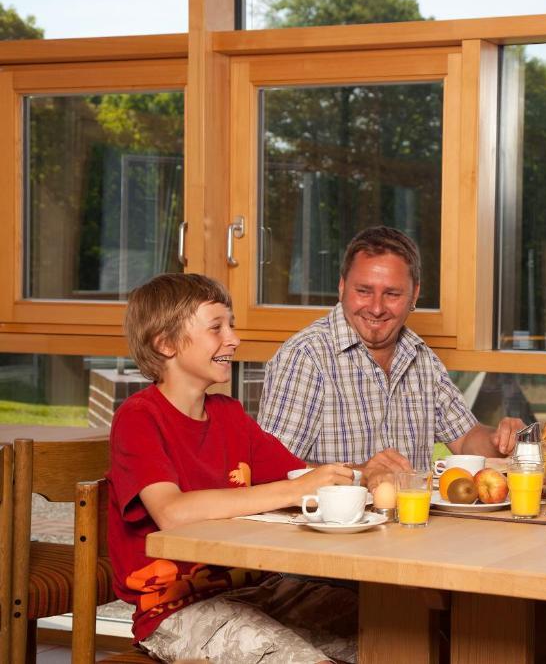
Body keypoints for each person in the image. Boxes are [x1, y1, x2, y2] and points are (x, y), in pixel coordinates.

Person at [108, 273, 359, 663]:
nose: (233, 338)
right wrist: (298, 489)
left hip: (261, 590)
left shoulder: (229, 415)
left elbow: (300, 476)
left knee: (395, 629)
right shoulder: (138, 418)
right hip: (177, 611)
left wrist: (362, 475)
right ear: (166, 343)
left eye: (232, 325)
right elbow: (172, 512)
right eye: (216, 328)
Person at [258, 225, 524, 484]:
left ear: (414, 294)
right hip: (332, 527)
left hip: (413, 523)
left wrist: (498, 440)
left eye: (392, 294)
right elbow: (269, 467)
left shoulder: (422, 360)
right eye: (363, 291)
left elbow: (466, 438)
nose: (376, 308)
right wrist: (361, 474)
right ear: (342, 287)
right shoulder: (306, 357)